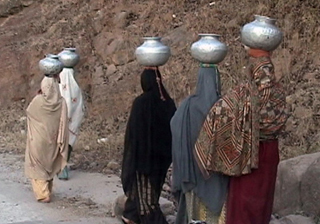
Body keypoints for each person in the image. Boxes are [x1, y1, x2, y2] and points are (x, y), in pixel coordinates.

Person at [194, 46, 289, 224]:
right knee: (262, 203)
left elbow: (219, 113)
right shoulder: (279, 93)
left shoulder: (244, 94)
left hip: (248, 154)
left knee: (242, 205)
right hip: (270, 152)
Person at [170, 64, 229, 224]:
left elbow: (174, 125)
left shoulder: (188, 106)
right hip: (216, 175)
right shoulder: (222, 106)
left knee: (194, 216)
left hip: (193, 175)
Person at [121, 67, 176, 224]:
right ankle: (130, 216)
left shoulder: (140, 103)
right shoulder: (168, 103)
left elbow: (133, 135)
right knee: (148, 195)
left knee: (148, 203)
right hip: (162, 161)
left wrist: (131, 159)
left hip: (143, 162)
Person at [25, 75, 69, 203]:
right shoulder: (61, 102)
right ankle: (48, 189)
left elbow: (29, 112)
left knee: (38, 166)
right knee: (49, 164)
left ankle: (43, 194)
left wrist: (38, 95)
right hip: (53, 139)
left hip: (38, 139)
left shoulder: (38, 101)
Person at [57, 66, 85, 180]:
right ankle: (62, 167)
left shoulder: (61, 87)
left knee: (61, 143)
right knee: (67, 144)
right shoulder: (76, 88)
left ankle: (60, 168)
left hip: (64, 121)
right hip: (71, 122)